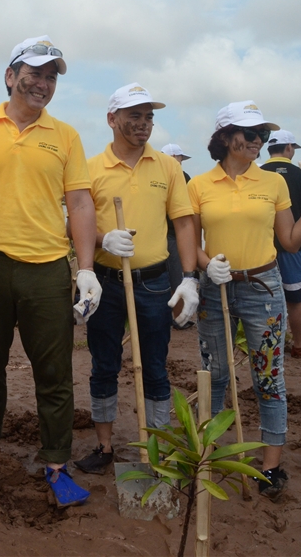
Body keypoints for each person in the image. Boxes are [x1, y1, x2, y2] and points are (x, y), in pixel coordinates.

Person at [0, 35, 100, 508]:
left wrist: (86, 267)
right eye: (35, 72)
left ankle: (56, 462)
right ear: (11, 76)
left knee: (53, 371)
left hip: (48, 268)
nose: (44, 83)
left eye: (52, 76)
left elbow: (79, 201)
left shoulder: (66, 136)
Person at [188, 101, 301, 501]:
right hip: (216, 287)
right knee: (213, 374)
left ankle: (270, 465)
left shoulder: (274, 183)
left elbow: (288, 241)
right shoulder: (198, 185)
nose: (258, 141)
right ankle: (206, 456)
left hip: (263, 288)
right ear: (225, 137)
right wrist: (204, 265)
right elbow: (190, 242)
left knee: (268, 376)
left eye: (262, 136)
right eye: (250, 134)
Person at [74, 84, 198, 474]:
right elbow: (73, 224)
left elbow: (183, 223)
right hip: (106, 282)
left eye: (148, 118)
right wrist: (101, 239)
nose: (143, 125)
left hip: (156, 282)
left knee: (155, 367)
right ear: (112, 120)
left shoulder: (167, 167)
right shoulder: (91, 169)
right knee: (104, 364)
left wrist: (190, 277)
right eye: (134, 117)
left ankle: (155, 451)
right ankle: (105, 446)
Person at [261, 130, 301, 358]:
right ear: (289, 148)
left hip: (262, 250)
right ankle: (298, 346)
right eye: (294, 148)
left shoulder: (257, 173)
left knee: (261, 300)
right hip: (293, 248)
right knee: (295, 301)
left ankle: (265, 347)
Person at [161, 143, 196, 329]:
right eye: (181, 158)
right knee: (177, 277)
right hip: (175, 235)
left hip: (158, 234)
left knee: (160, 278)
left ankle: (167, 315)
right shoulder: (183, 177)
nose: (181, 161)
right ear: (175, 156)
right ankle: (178, 318)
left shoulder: (157, 174)